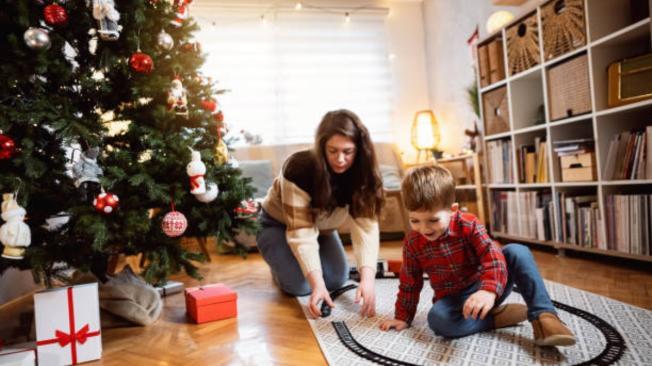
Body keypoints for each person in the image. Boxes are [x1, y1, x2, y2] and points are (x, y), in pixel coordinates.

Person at [379, 165, 576, 347]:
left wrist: (488, 291)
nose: (424, 228)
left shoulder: (469, 224)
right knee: (437, 321)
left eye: (433, 220)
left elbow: (493, 256)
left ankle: (544, 316)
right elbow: (409, 282)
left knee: (517, 251)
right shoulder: (413, 243)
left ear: (452, 210)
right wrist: (402, 317)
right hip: (455, 301)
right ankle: (494, 319)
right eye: (415, 220)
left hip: (487, 286)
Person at [257, 109, 384, 318]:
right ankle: (278, 265)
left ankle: (296, 265)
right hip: (276, 225)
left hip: (322, 229)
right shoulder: (298, 168)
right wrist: (317, 284)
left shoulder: (363, 174)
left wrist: (367, 280)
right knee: (300, 285)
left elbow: (366, 229)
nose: (340, 159)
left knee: (336, 278)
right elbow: (302, 233)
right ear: (322, 146)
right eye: (332, 151)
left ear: (359, 150)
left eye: (348, 151)